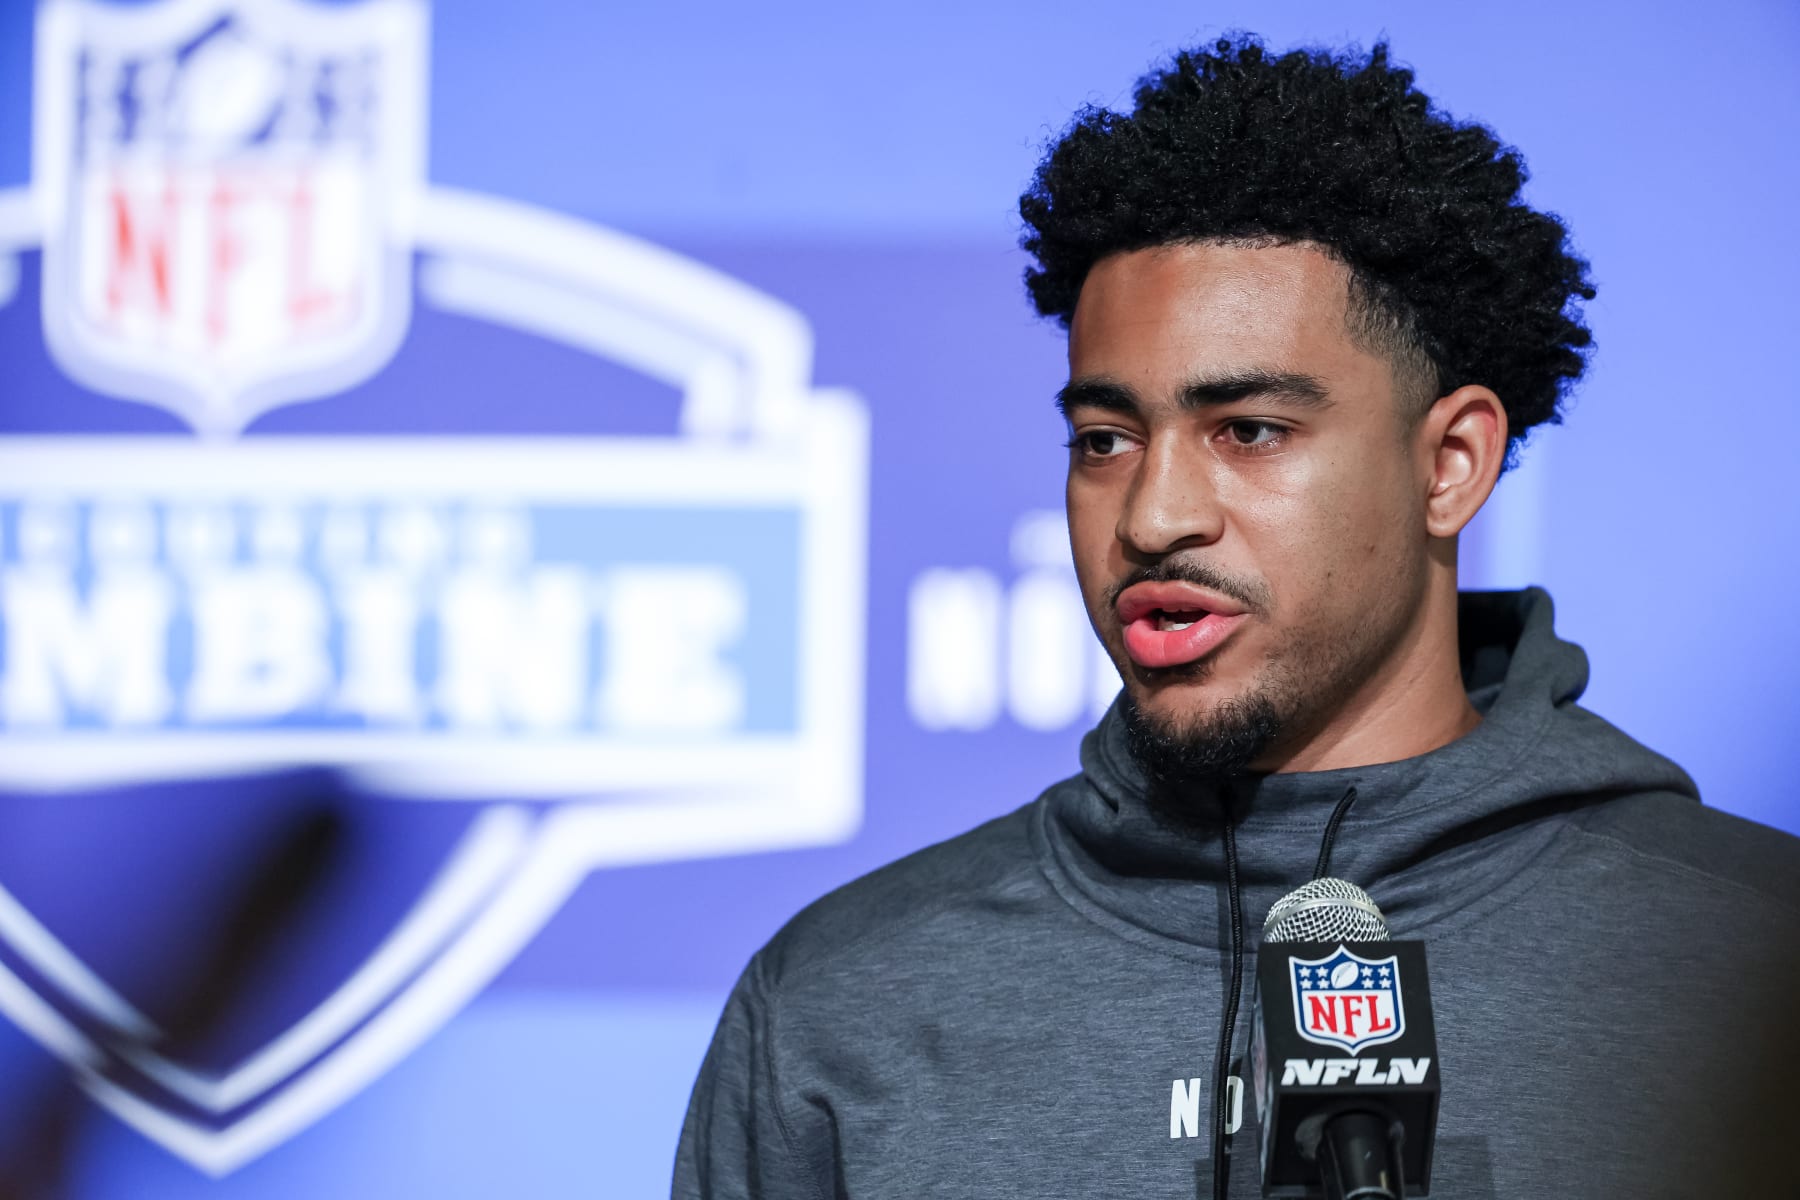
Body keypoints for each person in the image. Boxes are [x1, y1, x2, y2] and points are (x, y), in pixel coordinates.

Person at [673, 35, 1800, 1199]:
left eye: (1249, 431)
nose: (1153, 515)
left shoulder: (1760, 970)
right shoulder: (839, 1006)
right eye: (1105, 440)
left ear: (1451, 463)